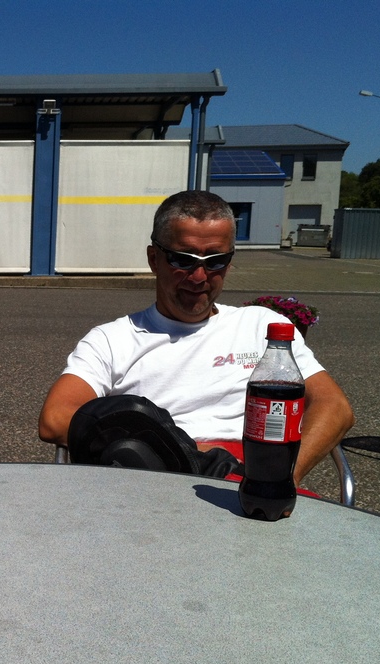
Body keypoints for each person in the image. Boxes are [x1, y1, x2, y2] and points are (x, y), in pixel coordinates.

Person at [38, 190, 354, 485]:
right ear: (154, 259)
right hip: (155, 479)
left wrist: (276, 480)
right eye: (183, 259)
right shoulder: (112, 340)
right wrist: (186, 453)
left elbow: (334, 406)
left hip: (254, 477)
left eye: (215, 261)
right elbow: (55, 418)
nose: (199, 277)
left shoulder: (263, 327)